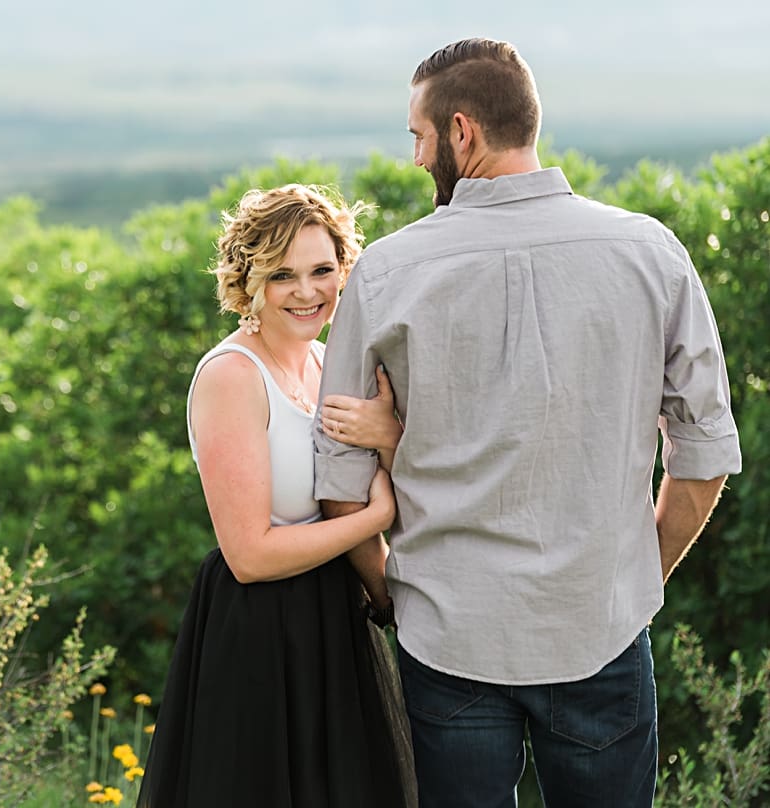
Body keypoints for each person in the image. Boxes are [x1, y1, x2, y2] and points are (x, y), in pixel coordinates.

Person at [313, 37, 743, 807]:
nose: (415, 158)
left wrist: (392, 594)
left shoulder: (387, 270)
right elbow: (704, 456)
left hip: (446, 635)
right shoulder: (652, 253)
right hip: (601, 626)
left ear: (461, 132)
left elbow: (340, 479)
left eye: (418, 136)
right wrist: (636, 577)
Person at [138, 184, 417, 808]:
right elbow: (250, 555)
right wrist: (374, 517)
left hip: (335, 621)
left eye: (323, 270)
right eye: (282, 275)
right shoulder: (232, 376)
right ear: (249, 280)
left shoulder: (328, 364)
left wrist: (390, 440)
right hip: (260, 631)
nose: (307, 291)